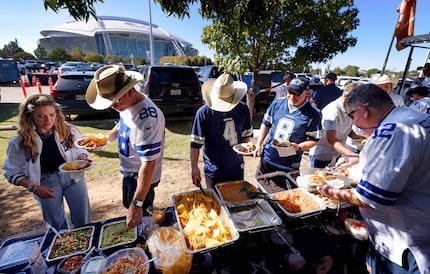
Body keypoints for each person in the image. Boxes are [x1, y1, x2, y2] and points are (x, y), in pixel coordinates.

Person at [317, 84, 430, 273]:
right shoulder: (414, 118)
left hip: (405, 244)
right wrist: (360, 161)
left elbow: (369, 198)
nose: (353, 123)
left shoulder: (393, 131)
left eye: (352, 116)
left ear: (363, 110)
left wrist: (331, 192)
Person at [86, 65, 165, 229]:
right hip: (129, 173)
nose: (111, 106)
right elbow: (122, 126)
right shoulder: (126, 104)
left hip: (141, 179)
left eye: (114, 101)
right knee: (128, 206)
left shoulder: (147, 119)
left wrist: (137, 203)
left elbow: (149, 164)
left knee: (140, 221)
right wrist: (104, 138)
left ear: (130, 91)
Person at [3, 94, 91, 230]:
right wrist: (34, 188)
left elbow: (80, 149)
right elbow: (11, 172)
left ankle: (88, 250)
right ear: (30, 116)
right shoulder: (20, 141)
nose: (48, 120)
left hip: (74, 178)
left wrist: (83, 158)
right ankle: (64, 250)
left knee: (83, 221)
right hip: (45, 183)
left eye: (52, 114)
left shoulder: (68, 129)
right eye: (41, 116)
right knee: (56, 226)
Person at [190, 73, 252, 190]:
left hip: (236, 167)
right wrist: (194, 167)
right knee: (217, 206)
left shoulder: (243, 109)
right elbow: (195, 144)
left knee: (236, 203)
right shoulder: (204, 113)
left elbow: (246, 135)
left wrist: (244, 147)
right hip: (214, 171)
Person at [255, 77, 322, 174]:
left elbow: (314, 140)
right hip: (268, 158)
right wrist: (258, 144)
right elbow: (266, 124)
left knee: (286, 190)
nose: (292, 96)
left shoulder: (312, 113)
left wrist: (298, 147)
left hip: (289, 164)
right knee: (260, 187)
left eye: (297, 94)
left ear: (305, 93)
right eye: (290, 92)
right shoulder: (277, 103)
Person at [310, 82, 362, 168]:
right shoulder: (332, 111)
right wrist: (352, 154)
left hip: (336, 153)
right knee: (320, 179)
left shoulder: (350, 108)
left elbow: (346, 128)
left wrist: (359, 138)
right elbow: (331, 139)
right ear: (345, 96)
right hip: (322, 155)